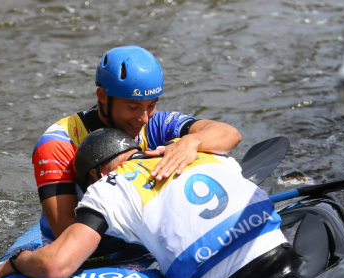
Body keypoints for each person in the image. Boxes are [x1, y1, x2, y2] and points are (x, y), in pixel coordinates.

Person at [0, 128, 300, 278]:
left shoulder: (108, 189)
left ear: (96, 176)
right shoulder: (199, 152)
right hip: (284, 256)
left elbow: (56, 265)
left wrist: (17, 262)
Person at [33, 45, 241, 243]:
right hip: (82, 248)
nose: (144, 119)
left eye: (151, 105)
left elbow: (229, 134)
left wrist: (191, 142)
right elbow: (64, 229)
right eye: (133, 106)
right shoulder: (58, 142)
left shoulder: (156, 123)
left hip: (141, 239)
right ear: (103, 96)